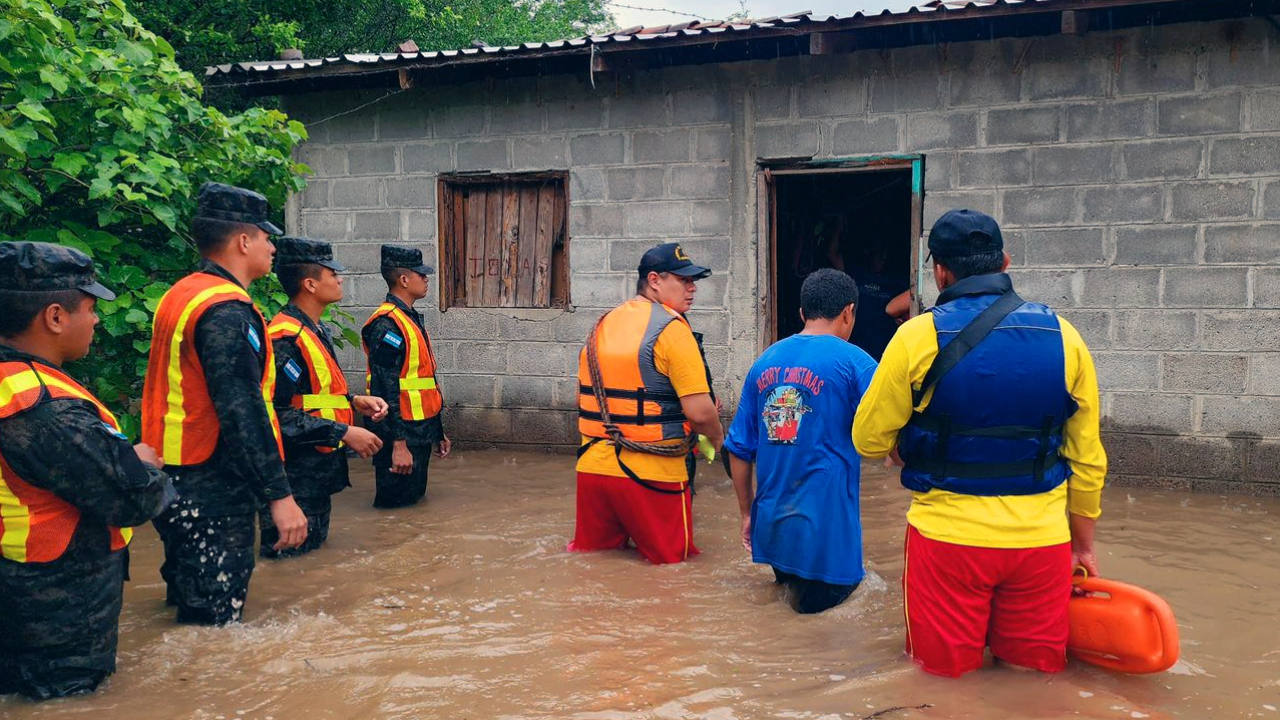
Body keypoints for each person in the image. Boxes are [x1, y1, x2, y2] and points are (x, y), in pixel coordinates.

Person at [853, 209, 1106, 677]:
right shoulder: (1065, 337)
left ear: (940, 271)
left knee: (944, 684)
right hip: (1043, 545)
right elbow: (1087, 458)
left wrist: (899, 448)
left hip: (947, 543)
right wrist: (1082, 545)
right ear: (1005, 262)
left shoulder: (915, 337)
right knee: (1032, 684)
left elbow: (868, 441)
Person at [0, 242, 174, 700]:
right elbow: (132, 498)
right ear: (55, 316)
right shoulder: (47, 409)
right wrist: (141, 461)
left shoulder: (12, 381)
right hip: (58, 616)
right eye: (92, 308)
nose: (96, 320)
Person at [142, 182, 308, 625]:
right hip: (211, 483)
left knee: (188, 602)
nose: (273, 246)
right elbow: (241, 409)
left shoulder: (181, 293)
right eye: (267, 237)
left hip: (172, 474)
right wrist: (279, 495)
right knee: (214, 624)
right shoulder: (226, 310)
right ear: (243, 240)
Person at [725, 268, 878, 613]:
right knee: (825, 642)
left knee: (788, 616)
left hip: (775, 528)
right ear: (848, 312)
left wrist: (747, 513)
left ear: (801, 314)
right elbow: (889, 428)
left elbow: (737, 449)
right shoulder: (856, 362)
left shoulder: (764, 361)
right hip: (827, 537)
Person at [571, 242, 724, 565]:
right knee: (671, 572)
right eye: (684, 280)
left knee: (594, 566)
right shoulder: (672, 329)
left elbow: (584, 396)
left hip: (593, 471)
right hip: (652, 475)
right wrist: (717, 437)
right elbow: (699, 413)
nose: (693, 288)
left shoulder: (602, 324)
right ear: (655, 280)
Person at [264, 237, 389, 557]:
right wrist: (344, 432)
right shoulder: (285, 338)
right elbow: (276, 412)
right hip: (294, 478)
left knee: (311, 566)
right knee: (290, 567)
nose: (340, 279)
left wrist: (352, 401)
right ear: (310, 284)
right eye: (332, 274)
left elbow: (307, 397)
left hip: (316, 473)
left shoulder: (313, 330)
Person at [361, 245, 451, 509]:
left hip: (420, 430)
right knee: (395, 511)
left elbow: (424, 384)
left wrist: (438, 432)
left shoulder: (408, 318)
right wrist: (397, 444)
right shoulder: (386, 324)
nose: (426, 279)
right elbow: (385, 388)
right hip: (400, 435)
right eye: (421, 274)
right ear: (403, 280)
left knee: (413, 507)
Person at [850, 246, 909, 361]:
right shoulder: (859, 276)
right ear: (870, 256)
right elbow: (833, 254)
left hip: (884, 344)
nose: (883, 259)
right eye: (880, 255)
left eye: (886, 256)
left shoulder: (896, 281)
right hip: (859, 341)